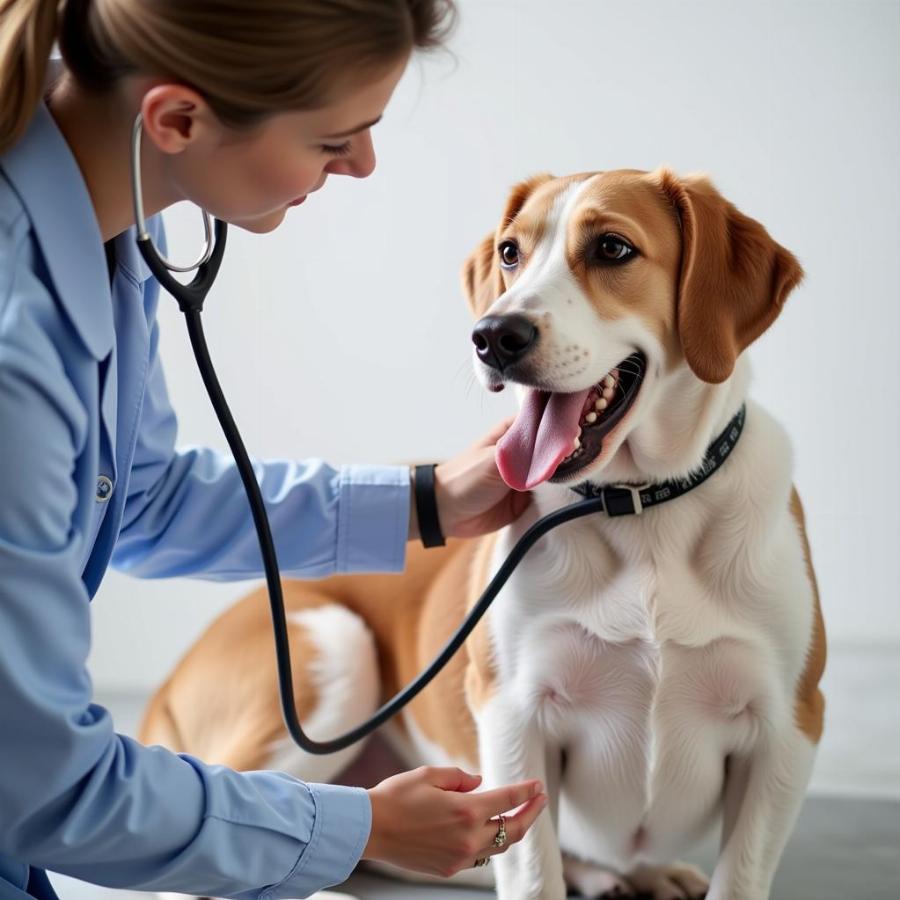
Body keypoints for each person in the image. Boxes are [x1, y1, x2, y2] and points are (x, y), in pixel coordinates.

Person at [0, 1, 548, 897]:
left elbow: (137, 499)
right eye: (336, 142)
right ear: (177, 120)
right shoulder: (13, 336)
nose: (365, 165)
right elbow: (42, 785)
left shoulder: (116, 225)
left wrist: (426, 501)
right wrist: (355, 825)